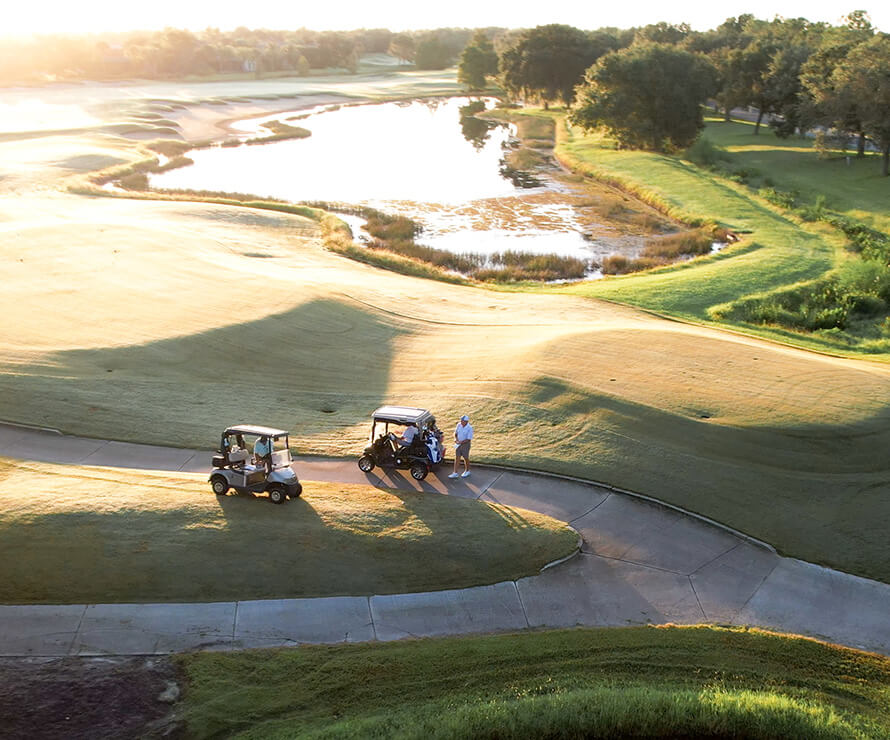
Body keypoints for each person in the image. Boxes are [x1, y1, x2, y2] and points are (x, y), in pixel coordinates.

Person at [449, 414, 473, 479]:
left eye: (462, 421)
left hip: (465, 444)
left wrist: (461, 442)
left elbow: (468, 439)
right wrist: (456, 439)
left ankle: (467, 470)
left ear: (466, 422)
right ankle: (455, 472)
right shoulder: (459, 425)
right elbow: (456, 433)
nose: (461, 422)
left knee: (465, 457)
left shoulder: (469, 428)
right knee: (457, 457)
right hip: (458, 444)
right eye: (461, 420)